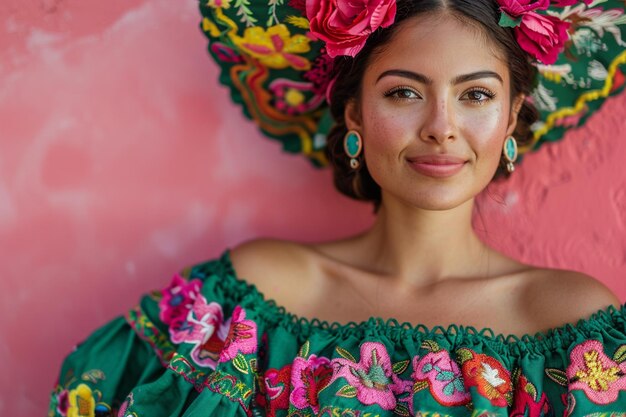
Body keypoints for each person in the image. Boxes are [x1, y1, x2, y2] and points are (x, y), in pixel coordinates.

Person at [49, 0, 626, 416]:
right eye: (404, 92)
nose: (441, 129)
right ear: (353, 114)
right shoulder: (246, 302)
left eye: (475, 94)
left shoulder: (574, 328)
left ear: (510, 114)